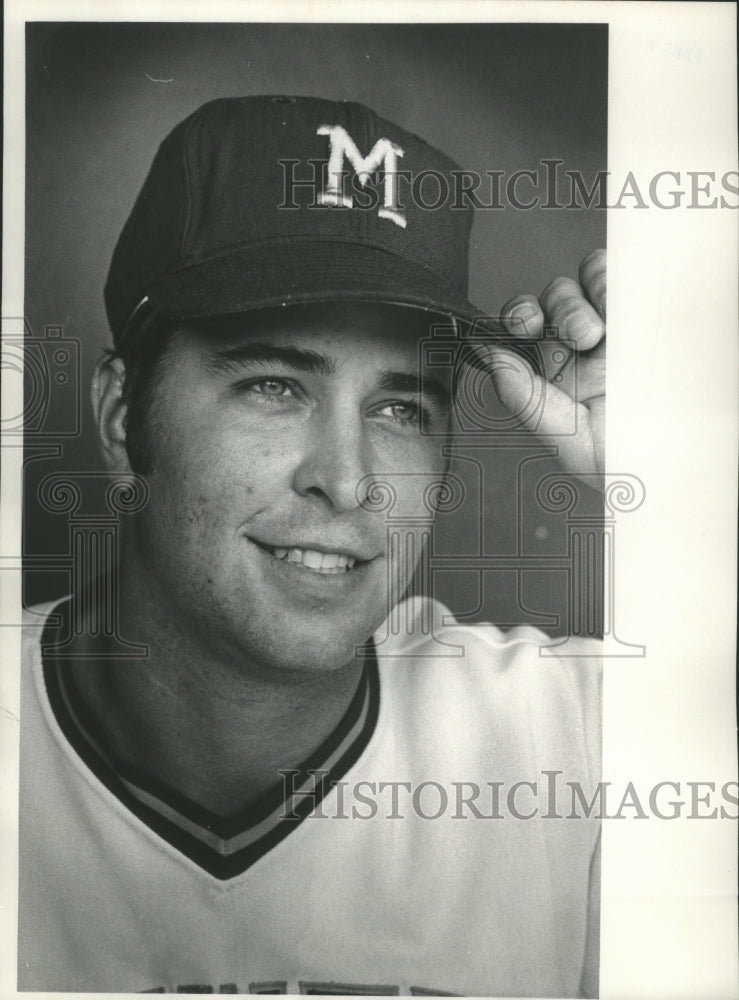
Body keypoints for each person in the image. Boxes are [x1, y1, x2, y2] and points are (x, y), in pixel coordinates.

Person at [19, 95, 605, 997]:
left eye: (401, 408)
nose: (346, 478)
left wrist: (690, 483)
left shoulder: (573, 746)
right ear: (118, 415)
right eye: (272, 385)